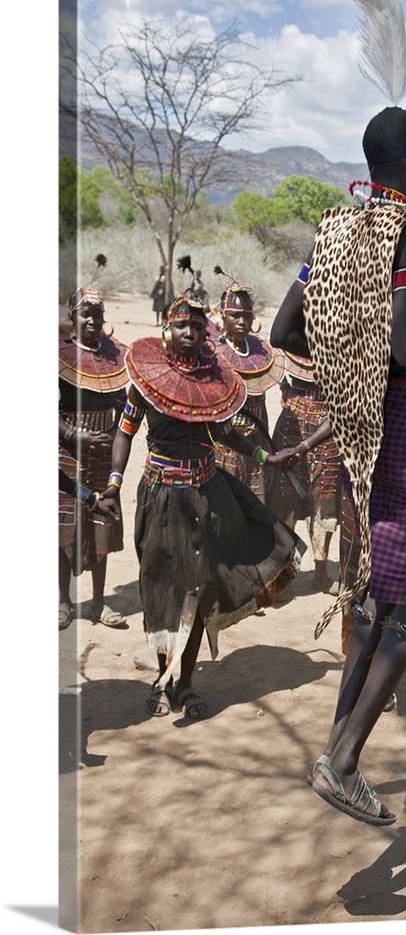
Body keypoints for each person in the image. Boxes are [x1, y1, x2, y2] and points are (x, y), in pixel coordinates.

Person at [270, 105, 406, 824]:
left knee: (376, 587)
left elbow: (285, 329)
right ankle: (342, 761)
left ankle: (335, 743)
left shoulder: (332, 233)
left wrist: (347, 362)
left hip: (364, 430)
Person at [103, 290, 304, 720]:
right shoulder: (145, 379)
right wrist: (114, 481)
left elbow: (225, 434)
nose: (191, 332)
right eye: (182, 325)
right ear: (167, 330)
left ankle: (187, 683)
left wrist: (267, 457)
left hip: (208, 495)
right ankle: (162, 680)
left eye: (197, 325)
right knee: (161, 590)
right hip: (161, 498)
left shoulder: (215, 381)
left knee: (201, 589)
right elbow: (125, 433)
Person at [59, 287, 128, 630]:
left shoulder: (115, 358)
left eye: (98, 315)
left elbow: (126, 408)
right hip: (65, 452)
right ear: (72, 316)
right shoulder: (57, 355)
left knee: (102, 527)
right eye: (85, 314)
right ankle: (63, 601)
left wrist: (116, 435)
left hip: (103, 454)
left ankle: (100, 604)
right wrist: (74, 435)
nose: (92, 320)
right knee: (63, 531)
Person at [265, 351, 343, 593]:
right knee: (283, 499)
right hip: (293, 419)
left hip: (329, 422)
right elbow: (274, 356)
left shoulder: (342, 341)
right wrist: (286, 389)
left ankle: (321, 574)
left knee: (324, 498)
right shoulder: (291, 338)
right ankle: (281, 575)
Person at [208, 280, 285, 504]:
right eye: (235, 315)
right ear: (223, 317)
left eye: (247, 316)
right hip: (222, 444)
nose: (242, 321)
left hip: (256, 441)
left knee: (255, 505)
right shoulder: (211, 352)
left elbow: (261, 406)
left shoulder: (261, 352)